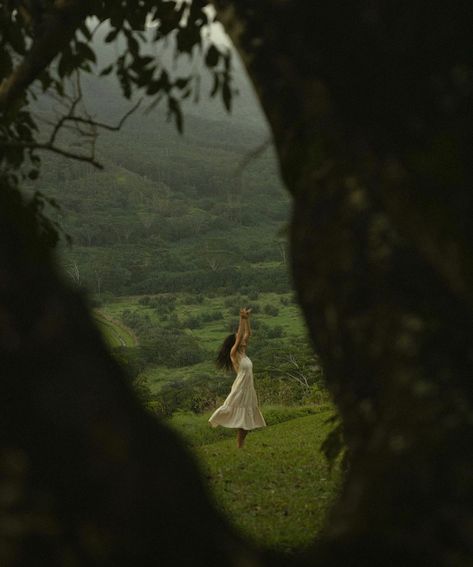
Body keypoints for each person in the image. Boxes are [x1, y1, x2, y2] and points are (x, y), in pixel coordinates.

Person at [209, 307, 266, 448]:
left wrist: (247, 319)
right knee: (242, 418)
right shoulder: (234, 354)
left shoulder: (243, 353)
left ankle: (240, 444)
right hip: (240, 389)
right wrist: (241, 318)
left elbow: (248, 333)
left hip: (248, 389)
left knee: (247, 421)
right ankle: (239, 445)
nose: (244, 341)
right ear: (235, 342)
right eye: (240, 340)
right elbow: (240, 336)